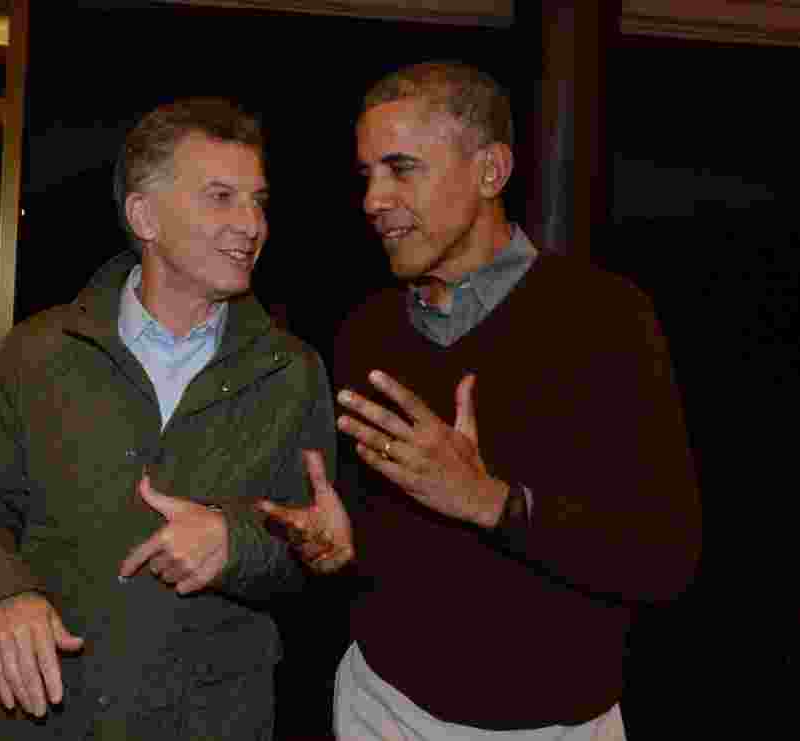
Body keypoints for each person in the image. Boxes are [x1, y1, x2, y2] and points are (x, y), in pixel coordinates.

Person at [259, 61, 702, 740]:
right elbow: (385, 538)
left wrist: (492, 501)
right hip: (379, 708)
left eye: (401, 168)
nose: (374, 198)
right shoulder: (368, 328)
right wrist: (339, 542)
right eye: (367, 174)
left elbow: (664, 557)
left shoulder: (605, 317)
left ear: (490, 172)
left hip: (554, 726)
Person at [0, 97, 336, 740]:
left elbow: (314, 555)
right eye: (221, 196)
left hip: (207, 723)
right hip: (38, 719)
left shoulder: (293, 372)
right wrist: (0, 596)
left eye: (258, 200)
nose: (251, 223)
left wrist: (238, 546)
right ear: (143, 215)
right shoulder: (40, 350)